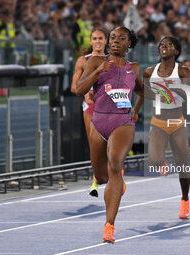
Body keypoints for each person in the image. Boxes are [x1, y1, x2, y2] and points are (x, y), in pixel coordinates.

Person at [76, 26, 144, 243]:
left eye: (120, 38)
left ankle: (109, 227)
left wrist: (135, 111)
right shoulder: (96, 62)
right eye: (112, 38)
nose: (115, 41)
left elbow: (142, 90)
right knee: (103, 176)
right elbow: (78, 90)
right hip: (99, 122)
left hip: (122, 123)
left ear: (129, 43)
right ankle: (117, 183)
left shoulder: (134, 68)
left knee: (115, 164)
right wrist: (97, 72)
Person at [144, 36, 190, 219]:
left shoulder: (182, 71)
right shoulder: (150, 72)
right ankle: (163, 160)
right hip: (158, 122)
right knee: (154, 161)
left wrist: (172, 91)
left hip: (177, 122)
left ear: (177, 51)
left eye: (169, 44)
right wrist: (155, 95)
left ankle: (185, 200)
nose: (164, 47)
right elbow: (143, 91)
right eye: (161, 44)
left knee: (183, 165)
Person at [70, 28, 108, 198]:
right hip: (90, 108)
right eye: (95, 38)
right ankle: (96, 181)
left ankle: (113, 175)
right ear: (91, 41)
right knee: (95, 146)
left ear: (106, 41)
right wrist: (87, 91)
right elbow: (74, 87)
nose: (98, 41)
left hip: (108, 109)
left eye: (101, 38)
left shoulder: (113, 61)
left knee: (109, 145)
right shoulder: (83, 61)